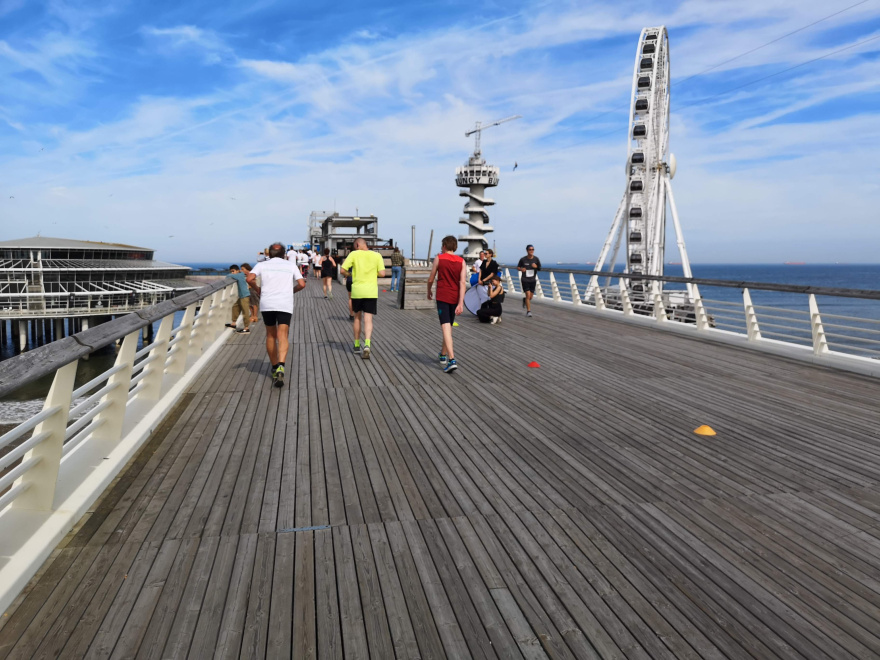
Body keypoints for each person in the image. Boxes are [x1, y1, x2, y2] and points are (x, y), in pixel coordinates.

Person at [246, 242, 306, 387]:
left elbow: (249, 278)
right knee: (283, 335)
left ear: (269, 254)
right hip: (284, 303)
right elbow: (302, 284)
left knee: (271, 335)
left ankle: (274, 367)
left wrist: (258, 288)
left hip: (267, 303)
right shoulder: (290, 266)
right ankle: (281, 365)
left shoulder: (262, 265)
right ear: (284, 254)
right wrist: (292, 291)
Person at [340, 237, 386, 359]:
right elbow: (382, 273)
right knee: (368, 319)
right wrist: (372, 273)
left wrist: (349, 274)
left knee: (357, 318)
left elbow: (342, 270)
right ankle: (367, 345)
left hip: (357, 291)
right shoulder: (377, 256)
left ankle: (356, 345)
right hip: (371, 291)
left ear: (357, 245)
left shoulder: (354, 254)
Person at [427, 235, 466, 373]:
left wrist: (428, 291)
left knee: (445, 327)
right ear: (455, 247)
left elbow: (431, 278)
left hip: (443, 296)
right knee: (448, 327)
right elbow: (462, 283)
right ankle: (442, 354)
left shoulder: (439, 258)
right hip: (455, 298)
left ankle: (452, 359)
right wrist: (461, 303)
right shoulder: (462, 261)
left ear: (444, 246)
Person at [517, 244, 542, 317]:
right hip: (525, 279)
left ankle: (525, 300)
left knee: (530, 297)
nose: (531, 251)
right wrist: (521, 269)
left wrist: (536, 266)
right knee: (528, 295)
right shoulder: (523, 259)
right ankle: (528, 311)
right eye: (530, 249)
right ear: (527, 250)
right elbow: (518, 267)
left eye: (532, 249)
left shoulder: (536, 259)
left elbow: (540, 268)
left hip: (532, 280)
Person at [226, 265, 252, 334]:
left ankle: (246, 328)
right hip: (242, 296)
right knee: (235, 307)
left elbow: (228, 276)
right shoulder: (240, 274)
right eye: (231, 271)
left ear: (237, 270)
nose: (232, 273)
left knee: (245, 311)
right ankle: (233, 323)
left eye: (233, 271)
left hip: (244, 296)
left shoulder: (239, 275)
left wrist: (232, 274)